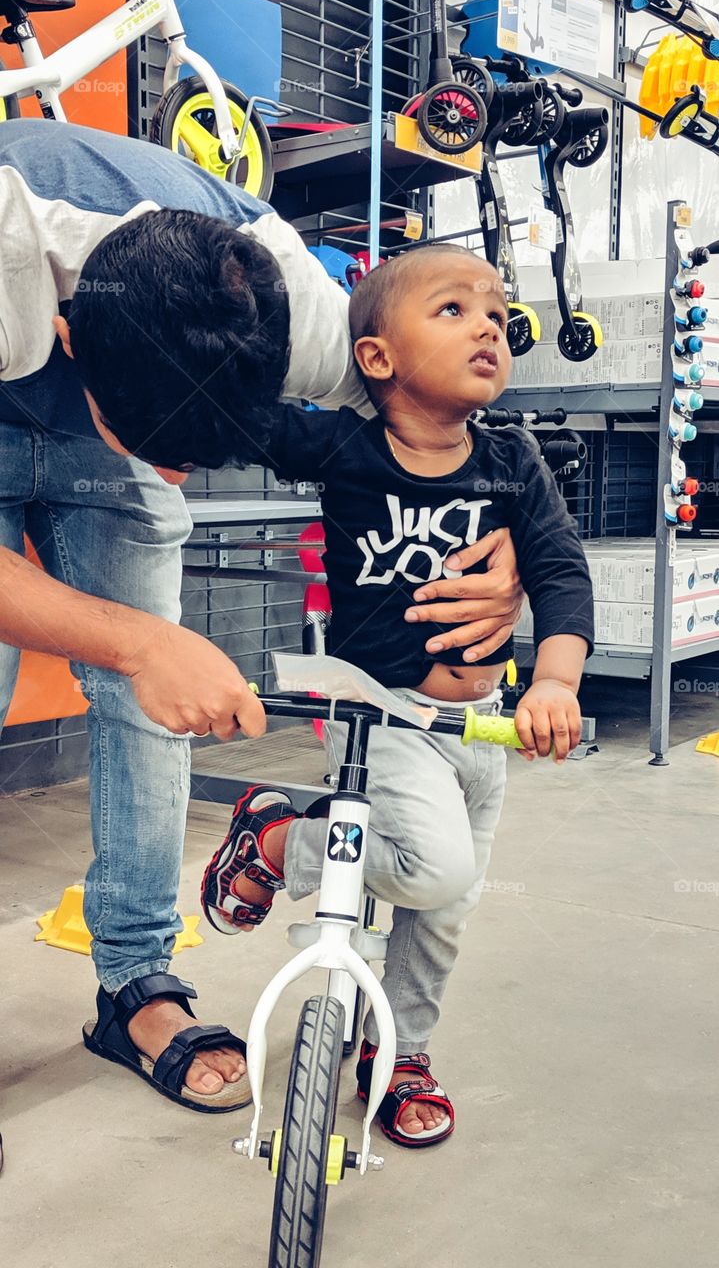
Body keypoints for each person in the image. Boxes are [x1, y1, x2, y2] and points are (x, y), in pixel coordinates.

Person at [0, 119, 523, 1111]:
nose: (167, 481)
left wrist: (495, 543)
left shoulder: (300, 309)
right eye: (156, 450)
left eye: (193, 459)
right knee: (134, 659)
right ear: (70, 338)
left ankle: (133, 984)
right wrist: (140, 638)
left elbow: (439, 409)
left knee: (150, 713)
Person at [200, 244, 595, 1145]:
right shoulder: (341, 442)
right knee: (434, 869)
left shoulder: (511, 458)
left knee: (443, 913)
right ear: (375, 359)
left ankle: (400, 1050)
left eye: (496, 313)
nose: (488, 326)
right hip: (381, 714)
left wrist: (557, 679)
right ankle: (276, 840)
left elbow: (560, 571)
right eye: (453, 311)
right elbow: (235, 414)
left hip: (484, 728)